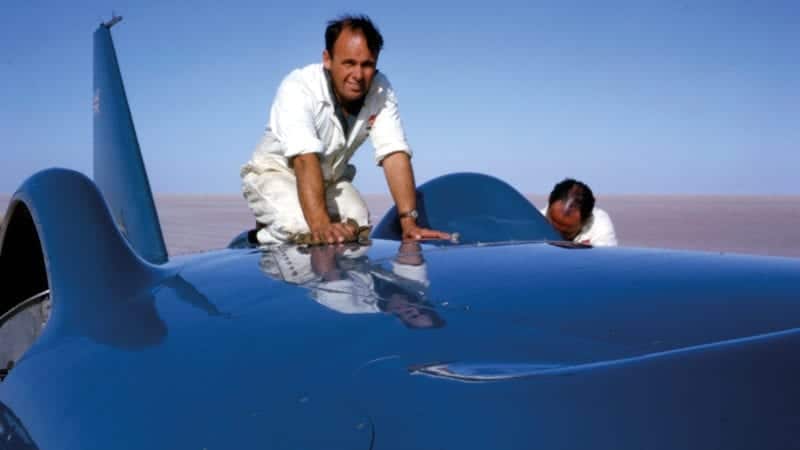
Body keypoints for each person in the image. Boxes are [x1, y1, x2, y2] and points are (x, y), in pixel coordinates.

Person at [241, 15, 449, 245]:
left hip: (330, 180)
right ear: (327, 59)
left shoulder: (380, 90)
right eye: (349, 63)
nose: (358, 75)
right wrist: (320, 226)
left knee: (358, 222)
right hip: (278, 173)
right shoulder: (298, 87)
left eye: (367, 65)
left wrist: (409, 223)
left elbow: (394, 153)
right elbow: (304, 158)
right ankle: (260, 236)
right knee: (300, 226)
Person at [540, 178, 618, 247]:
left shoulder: (599, 227)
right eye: (551, 226)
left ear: (586, 221)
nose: (556, 235)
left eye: (566, 233)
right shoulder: (534, 221)